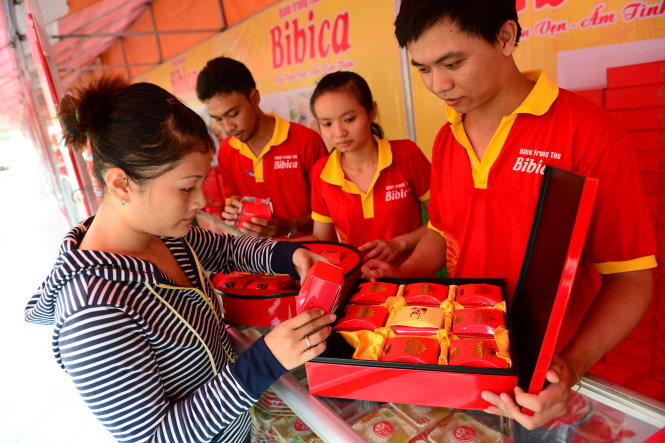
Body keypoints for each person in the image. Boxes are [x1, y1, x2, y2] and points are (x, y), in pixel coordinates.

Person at [363, 0, 657, 433]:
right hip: (463, 361)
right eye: (422, 69)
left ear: (505, 37)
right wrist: (401, 273)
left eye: (452, 62)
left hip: (546, 387)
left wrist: (569, 369)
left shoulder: (590, 134)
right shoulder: (447, 138)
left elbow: (631, 279)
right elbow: (444, 233)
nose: (438, 84)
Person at [24, 76, 335, 443]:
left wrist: (289, 253)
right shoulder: (93, 312)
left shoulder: (162, 233)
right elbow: (156, 436)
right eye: (187, 187)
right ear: (121, 184)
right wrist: (263, 362)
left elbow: (225, 249)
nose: (201, 201)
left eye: (202, 183)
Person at [308, 71, 431, 265]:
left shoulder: (406, 154)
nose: (339, 133)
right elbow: (322, 240)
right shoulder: (322, 172)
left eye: (349, 119)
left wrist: (400, 244)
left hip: (412, 279)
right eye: (327, 124)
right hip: (359, 285)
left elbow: (442, 222)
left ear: (371, 111)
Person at [196, 56, 327, 238]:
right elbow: (233, 201)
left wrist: (289, 226)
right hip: (259, 259)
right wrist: (234, 213)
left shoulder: (306, 142)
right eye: (218, 119)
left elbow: (332, 212)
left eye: (233, 114)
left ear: (254, 98)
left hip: (311, 253)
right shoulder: (227, 150)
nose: (227, 127)